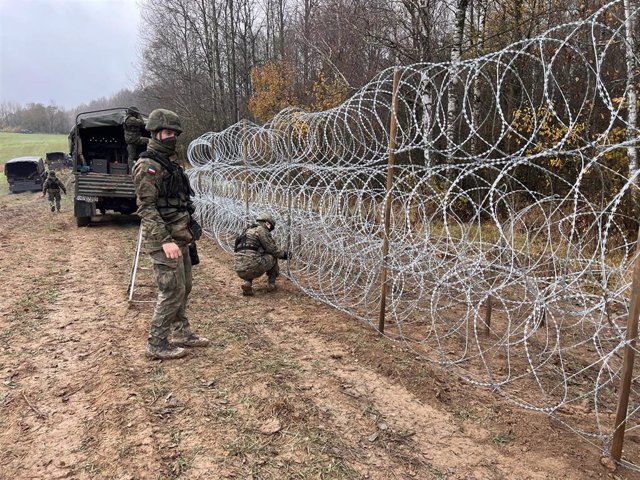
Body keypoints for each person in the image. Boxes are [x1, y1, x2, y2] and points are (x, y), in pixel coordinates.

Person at [132, 108, 209, 360]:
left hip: (181, 236)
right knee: (171, 291)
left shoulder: (170, 164)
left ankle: (181, 332)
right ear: (154, 133)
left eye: (175, 133)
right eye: (167, 132)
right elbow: (147, 207)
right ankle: (156, 343)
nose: (172, 137)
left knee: (184, 287)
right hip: (165, 240)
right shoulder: (148, 166)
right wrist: (165, 241)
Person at [234, 212, 290, 296]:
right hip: (253, 267)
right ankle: (271, 284)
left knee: (250, 258)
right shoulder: (261, 230)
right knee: (272, 257)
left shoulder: (247, 230)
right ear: (267, 223)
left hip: (239, 268)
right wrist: (285, 255)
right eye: (270, 226)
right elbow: (272, 249)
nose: (270, 229)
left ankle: (247, 283)